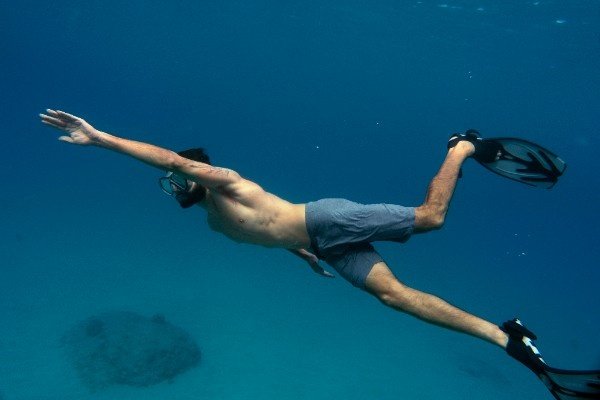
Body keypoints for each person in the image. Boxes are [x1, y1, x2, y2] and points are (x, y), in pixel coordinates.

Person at [40, 109, 598, 399]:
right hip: (316, 243)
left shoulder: (224, 184)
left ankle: (462, 148)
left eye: (173, 182)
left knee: (430, 219)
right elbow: (266, 235)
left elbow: (173, 159)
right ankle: (510, 339)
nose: (173, 190)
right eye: (168, 188)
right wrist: (303, 257)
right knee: (395, 298)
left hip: (325, 218)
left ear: (191, 177)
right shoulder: (215, 223)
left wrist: (102, 139)